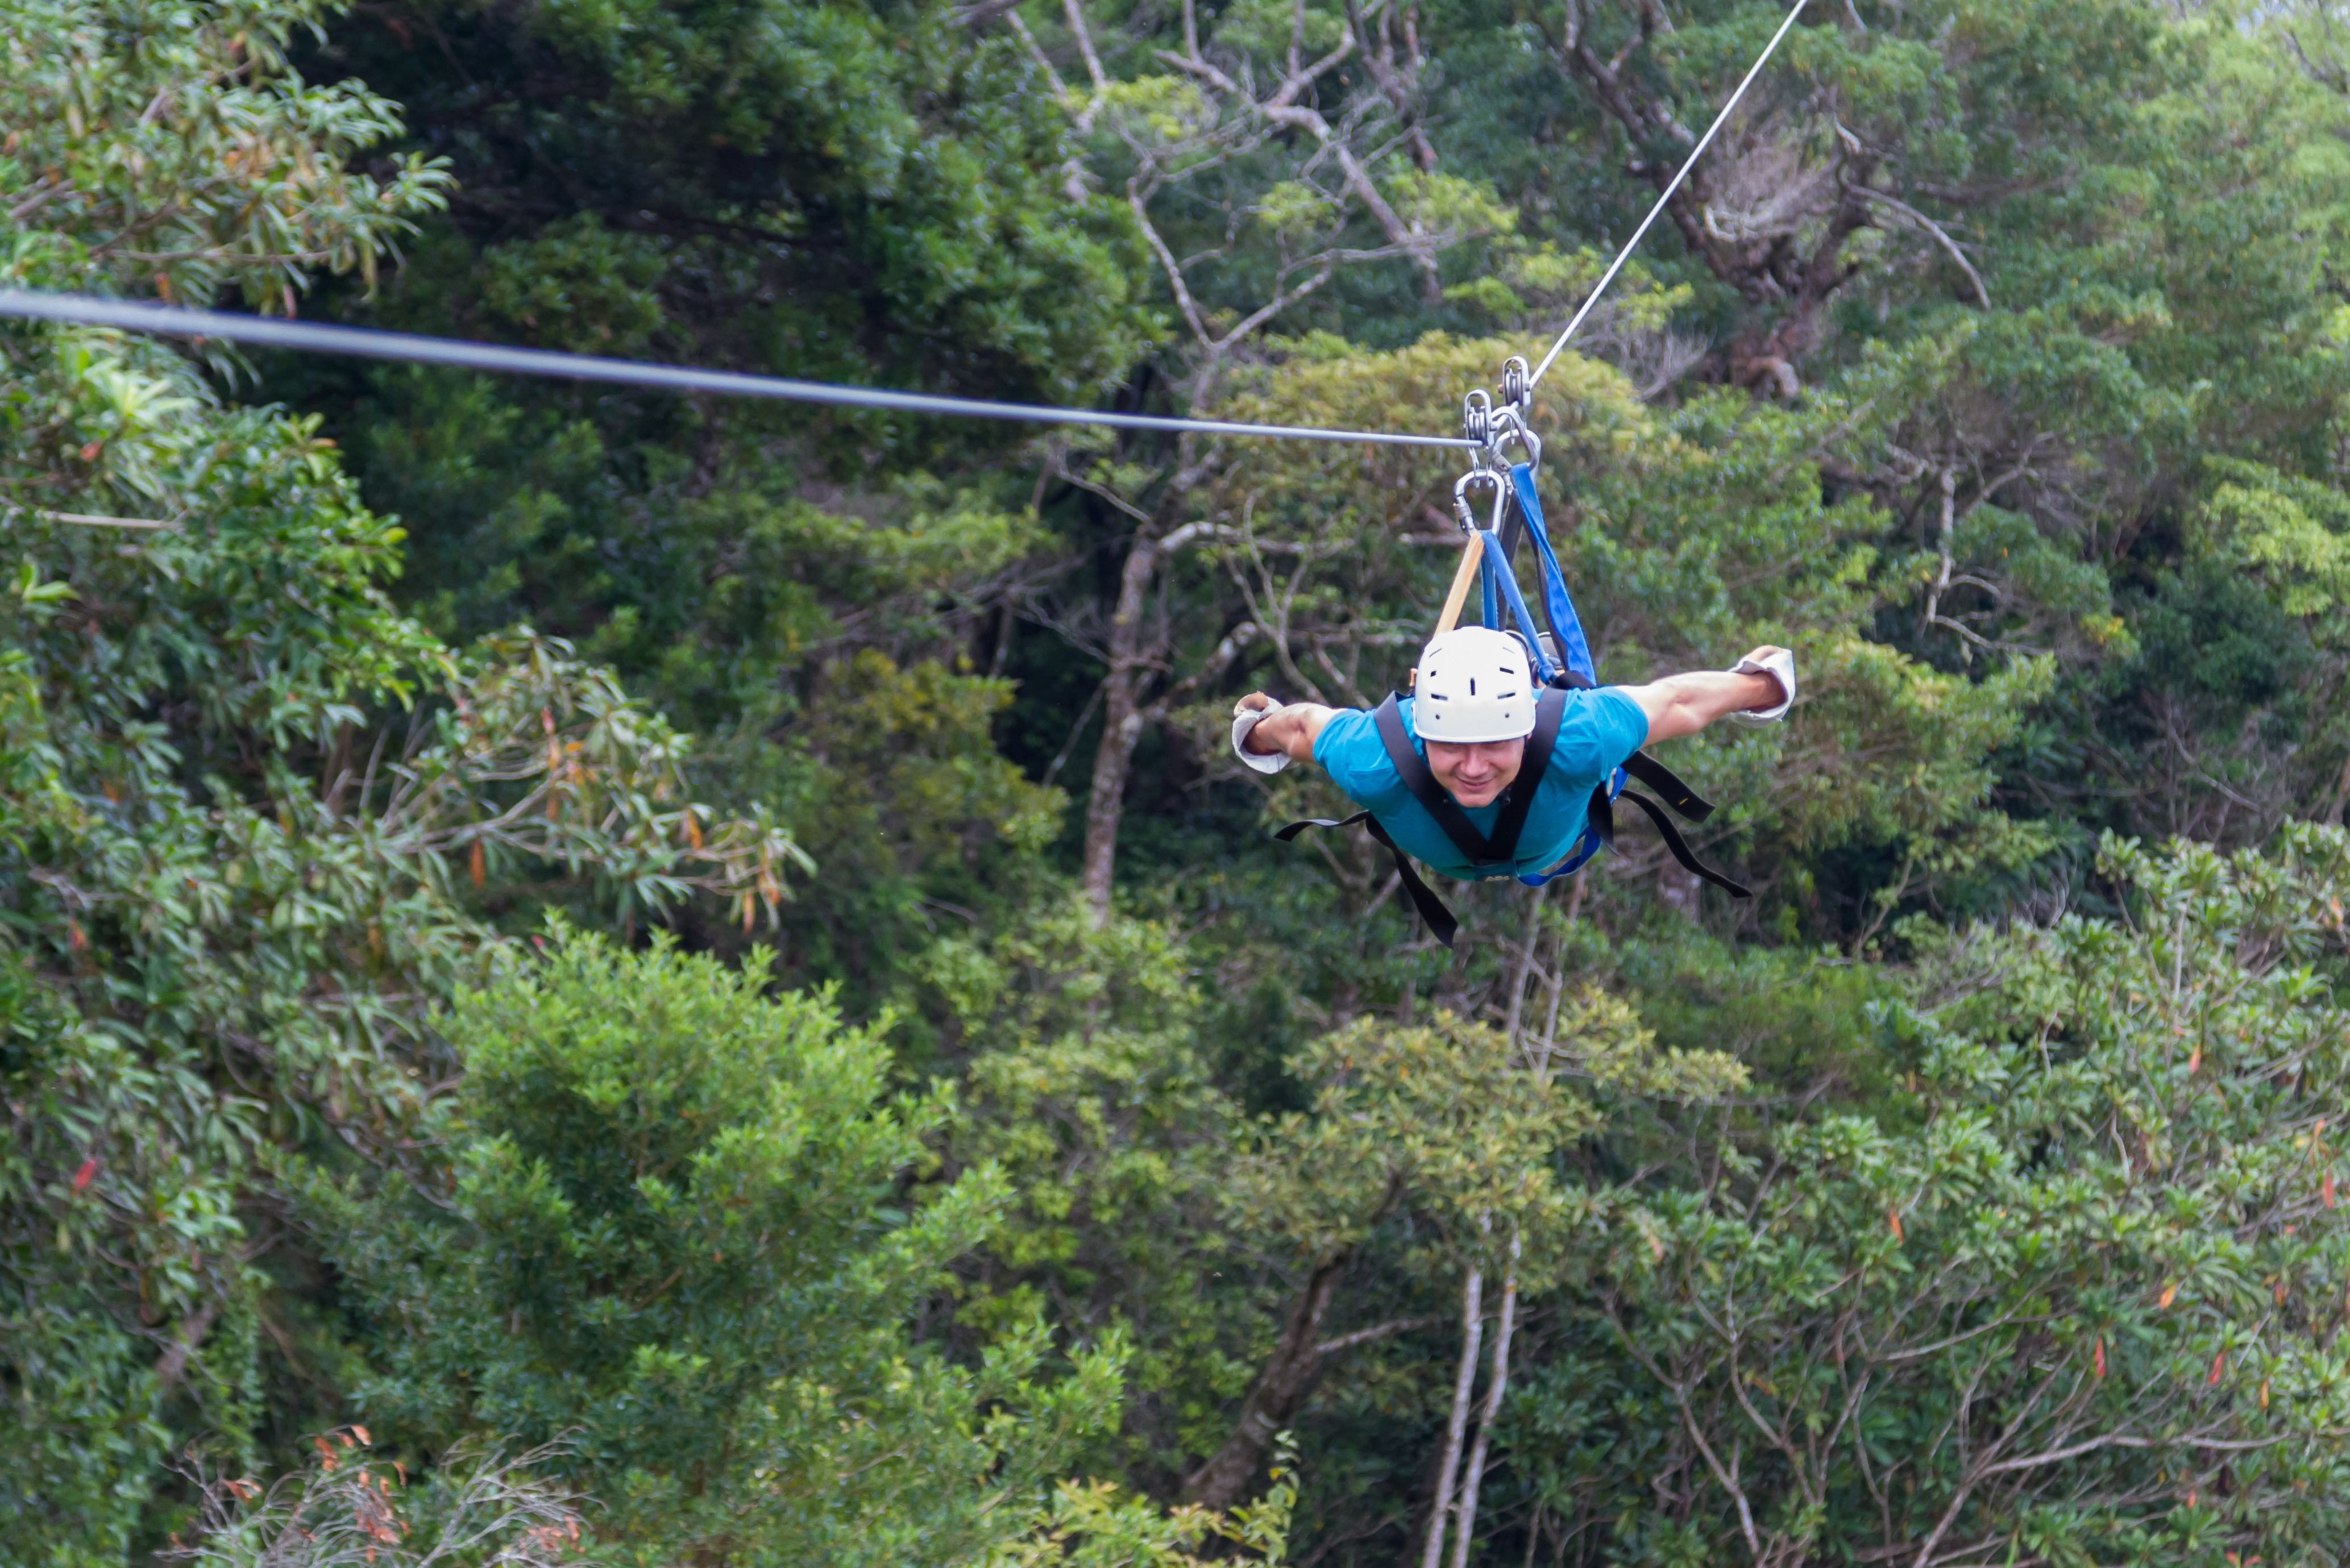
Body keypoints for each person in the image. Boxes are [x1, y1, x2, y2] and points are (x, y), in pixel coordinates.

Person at [1230, 626, 1793, 891]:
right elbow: (1301, 726)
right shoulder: (1376, 757)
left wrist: (1759, 687)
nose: (1474, 767)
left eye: (1494, 744)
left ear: (1525, 729)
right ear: (1423, 736)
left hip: (1553, 790)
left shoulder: (1577, 736)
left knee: (1588, 727)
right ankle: (1531, 664)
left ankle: (1541, 669)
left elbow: (1680, 701)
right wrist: (1256, 731)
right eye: (1452, 746)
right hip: (1538, 822)